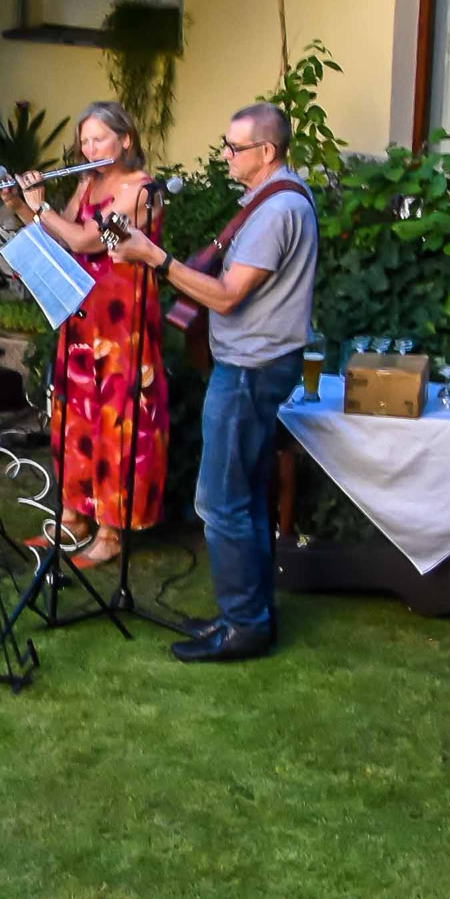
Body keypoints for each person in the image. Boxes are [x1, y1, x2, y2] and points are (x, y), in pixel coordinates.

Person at [153, 99, 318, 667]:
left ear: (266, 151)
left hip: (251, 369)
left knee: (222, 502)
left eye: (234, 147)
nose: (224, 155)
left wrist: (158, 261)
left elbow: (226, 296)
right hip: (254, 364)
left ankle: (244, 625)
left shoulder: (277, 210)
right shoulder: (274, 199)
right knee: (244, 497)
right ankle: (247, 616)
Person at [5, 99, 176, 576]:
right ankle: (74, 516)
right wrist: (21, 207)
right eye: (85, 141)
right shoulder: (86, 183)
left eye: (99, 139)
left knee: (117, 422)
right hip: (81, 316)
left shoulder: (141, 191)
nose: (90, 148)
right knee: (74, 420)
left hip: (123, 324)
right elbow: (61, 240)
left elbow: (88, 240)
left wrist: (40, 207)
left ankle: (111, 531)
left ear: (126, 140)